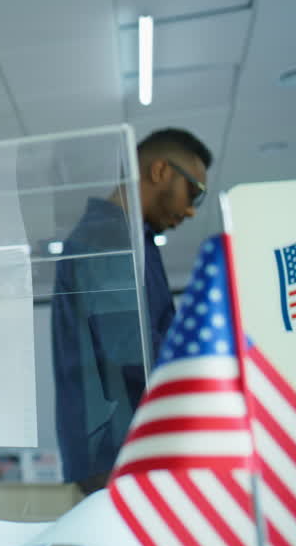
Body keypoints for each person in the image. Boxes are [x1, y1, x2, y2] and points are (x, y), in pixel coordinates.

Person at [51, 128, 212, 494]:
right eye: (194, 193)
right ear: (160, 172)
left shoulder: (131, 240)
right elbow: (130, 350)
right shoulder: (109, 236)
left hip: (127, 448)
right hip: (124, 451)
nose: (189, 210)